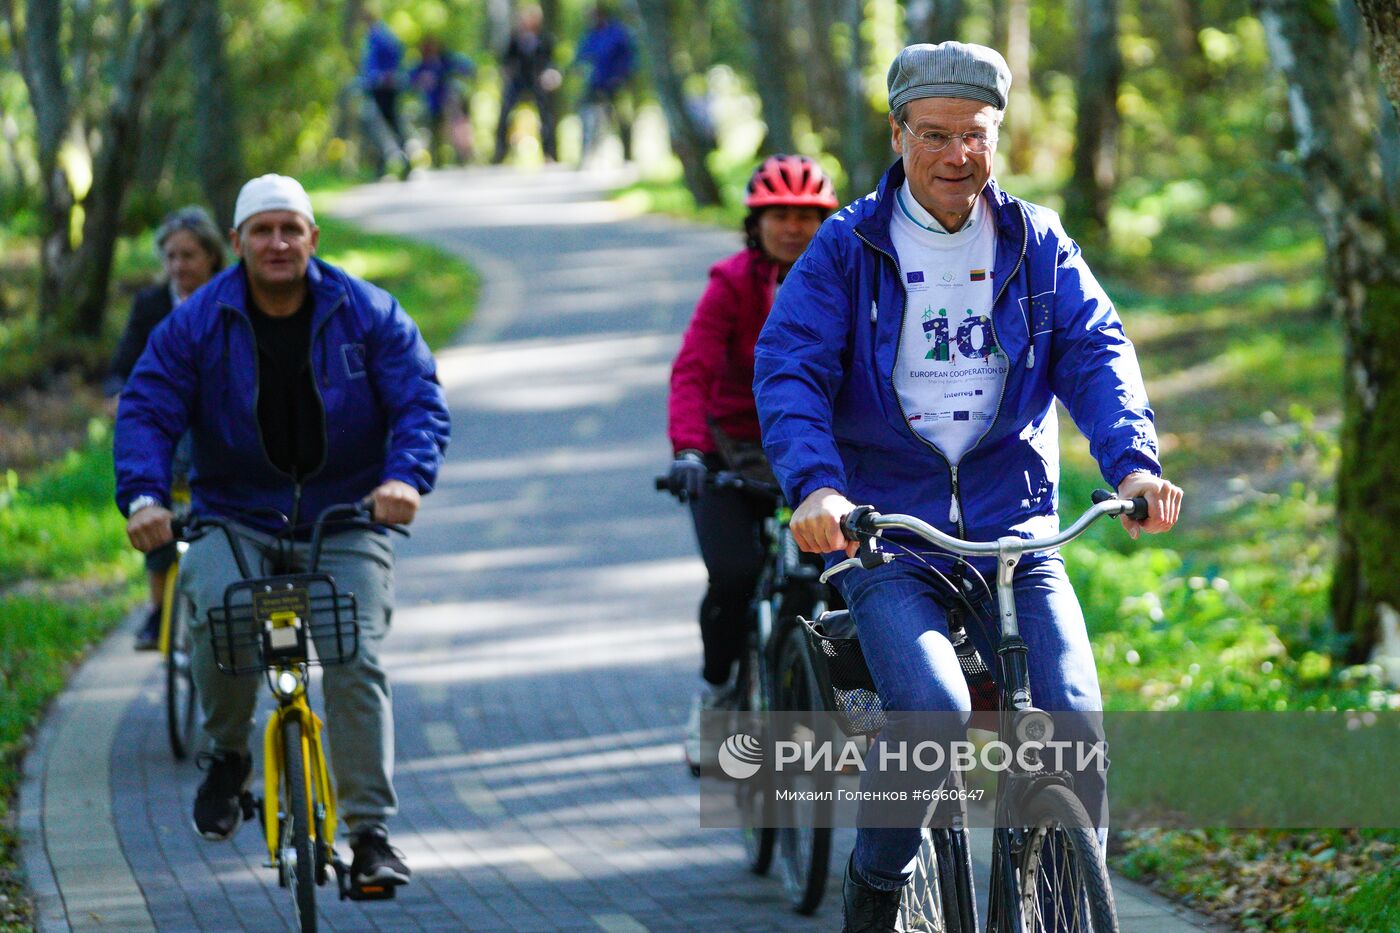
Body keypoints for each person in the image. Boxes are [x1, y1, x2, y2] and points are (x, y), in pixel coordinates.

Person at [751, 43, 1183, 932]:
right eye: (936, 135)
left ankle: (1060, 892)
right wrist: (817, 487)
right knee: (933, 713)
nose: (957, 157)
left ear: (998, 135)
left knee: (1071, 718)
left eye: (976, 136)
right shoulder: (845, 249)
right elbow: (790, 369)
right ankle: (875, 889)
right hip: (888, 534)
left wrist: (1133, 462)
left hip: (1017, 529)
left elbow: (1095, 350)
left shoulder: (1034, 240)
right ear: (899, 132)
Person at [114, 174, 450, 892]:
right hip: (235, 511)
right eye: (262, 230)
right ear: (235, 243)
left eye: (290, 229)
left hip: (348, 511)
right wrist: (145, 494)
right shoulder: (196, 322)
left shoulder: (367, 312)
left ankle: (369, 832)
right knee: (218, 612)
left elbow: (418, 396)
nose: (277, 243)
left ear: (313, 239)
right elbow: (146, 406)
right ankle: (229, 757)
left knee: (355, 650)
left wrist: (405, 478)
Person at [665, 155, 839, 770]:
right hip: (730, 450)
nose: (792, 228)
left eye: (806, 217)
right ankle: (716, 697)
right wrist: (688, 450)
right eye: (779, 216)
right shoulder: (733, 283)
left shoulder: (848, 279)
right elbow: (693, 369)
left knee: (838, 579)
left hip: (818, 455)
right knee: (735, 575)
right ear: (755, 222)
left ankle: (827, 701)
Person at [104, 207, 226, 650]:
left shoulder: (233, 298)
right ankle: (159, 611)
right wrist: (119, 395)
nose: (178, 266)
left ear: (212, 256)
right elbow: (122, 367)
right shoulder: (151, 304)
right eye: (171, 256)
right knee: (154, 502)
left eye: (188, 256)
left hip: (218, 430)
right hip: (170, 429)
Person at [492, 5, 560, 164]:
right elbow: (506, 62)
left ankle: (550, 153)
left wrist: (551, 75)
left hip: (538, 82)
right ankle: (500, 154)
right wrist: (506, 74)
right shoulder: (515, 39)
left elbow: (552, 62)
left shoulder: (545, 39)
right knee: (505, 114)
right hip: (517, 82)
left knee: (546, 116)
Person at [572, 3, 636, 164]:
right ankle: (587, 155)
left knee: (620, 117)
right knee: (586, 114)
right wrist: (578, 68)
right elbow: (581, 56)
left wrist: (622, 75)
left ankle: (627, 155)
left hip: (615, 82)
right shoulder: (590, 34)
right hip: (595, 82)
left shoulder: (617, 32)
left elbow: (628, 57)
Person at [409, 36, 477, 165]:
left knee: (457, 125)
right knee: (434, 132)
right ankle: (437, 160)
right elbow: (410, 80)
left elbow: (468, 68)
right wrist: (422, 81)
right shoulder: (422, 66)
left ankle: (462, 157)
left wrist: (454, 77)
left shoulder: (447, 60)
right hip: (433, 105)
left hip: (451, 102)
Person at [359, 7, 410, 179]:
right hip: (375, 86)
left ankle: (403, 162)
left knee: (386, 124)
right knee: (380, 124)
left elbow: (395, 52)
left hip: (384, 87)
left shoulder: (380, 35)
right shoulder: (373, 35)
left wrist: (388, 74)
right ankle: (383, 166)